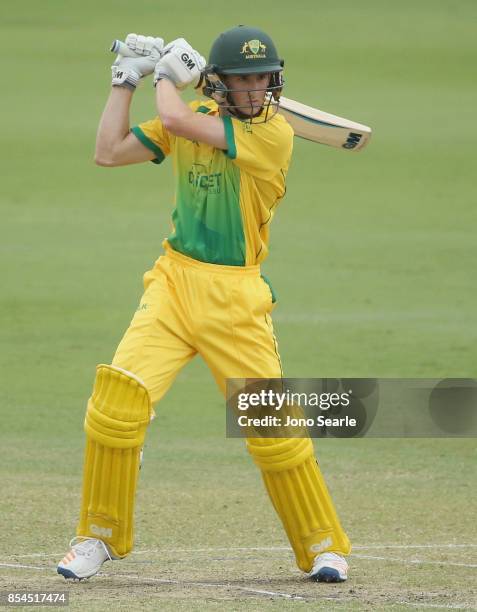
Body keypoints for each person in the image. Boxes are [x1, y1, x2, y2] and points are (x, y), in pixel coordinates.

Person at [56, 25, 351, 583]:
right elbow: (108, 151)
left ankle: (322, 546)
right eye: (243, 79)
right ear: (218, 83)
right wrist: (126, 80)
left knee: (271, 428)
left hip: (235, 296)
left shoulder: (274, 136)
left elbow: (174, 120)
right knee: (116, 405)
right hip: (172, 283)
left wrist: (164, 75)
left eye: (263, 76)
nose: (256, 88)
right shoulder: (194, 114)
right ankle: (97, 537)